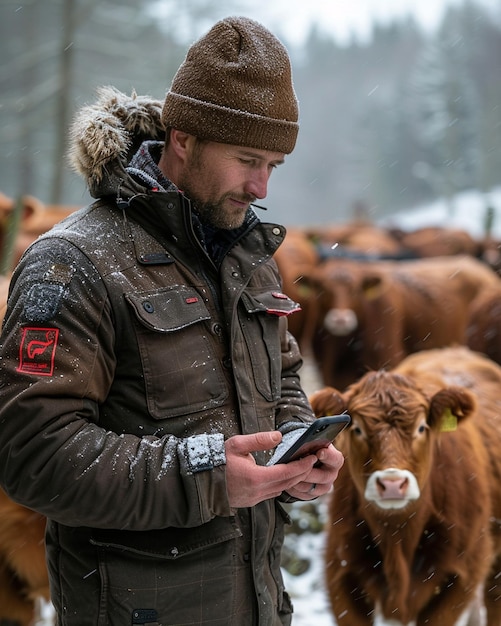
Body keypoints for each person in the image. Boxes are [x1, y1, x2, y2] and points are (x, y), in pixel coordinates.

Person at [0, 16, 344, 626]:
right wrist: (205, 477)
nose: (261, 185)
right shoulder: (73, 264)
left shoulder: (247, 255)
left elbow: (283, 375)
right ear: (183, 138)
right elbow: (33, 454)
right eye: (246, 159)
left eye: (274, 164)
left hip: (258, 604)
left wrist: (297, 446)